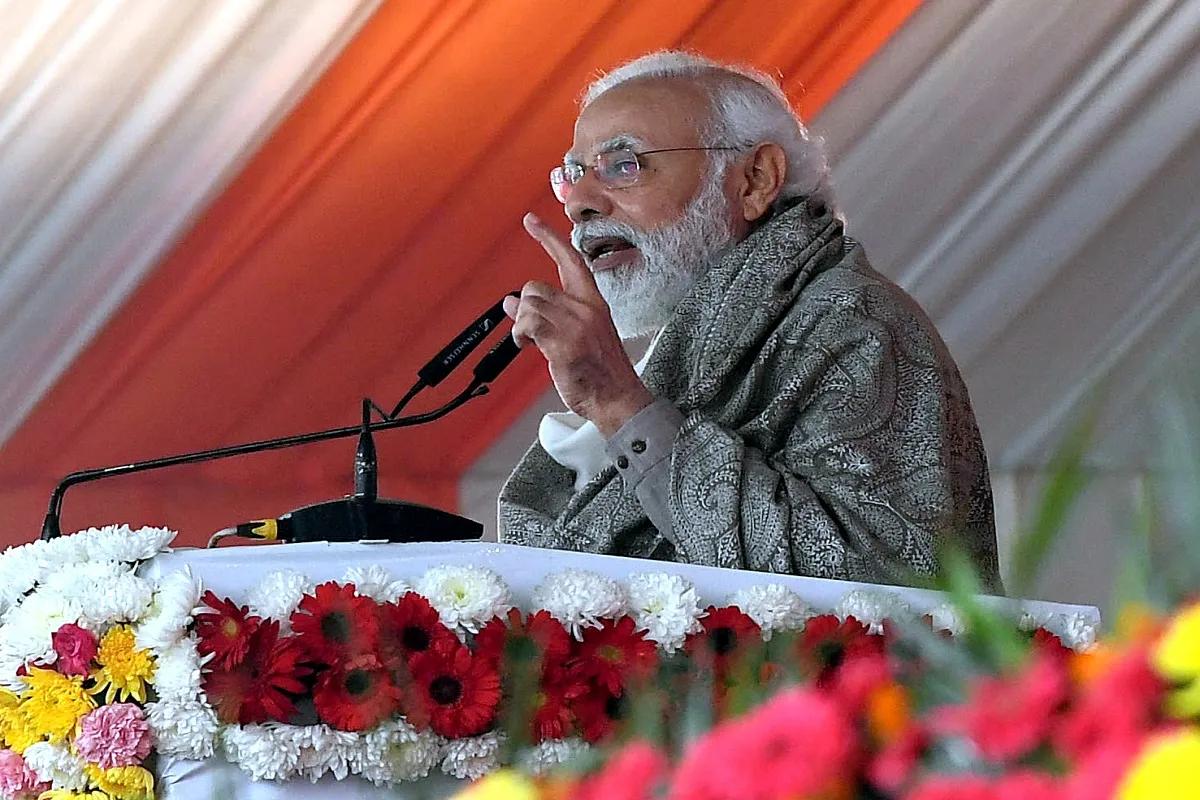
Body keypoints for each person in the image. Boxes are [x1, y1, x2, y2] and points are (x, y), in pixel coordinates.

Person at [497, 51, 1002, 591]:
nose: (579, 204)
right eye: (573, 176)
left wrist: (617, 401)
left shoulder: (853, 320)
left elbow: (873, 590)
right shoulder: (690, 338)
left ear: (756, 180)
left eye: (624, 165)